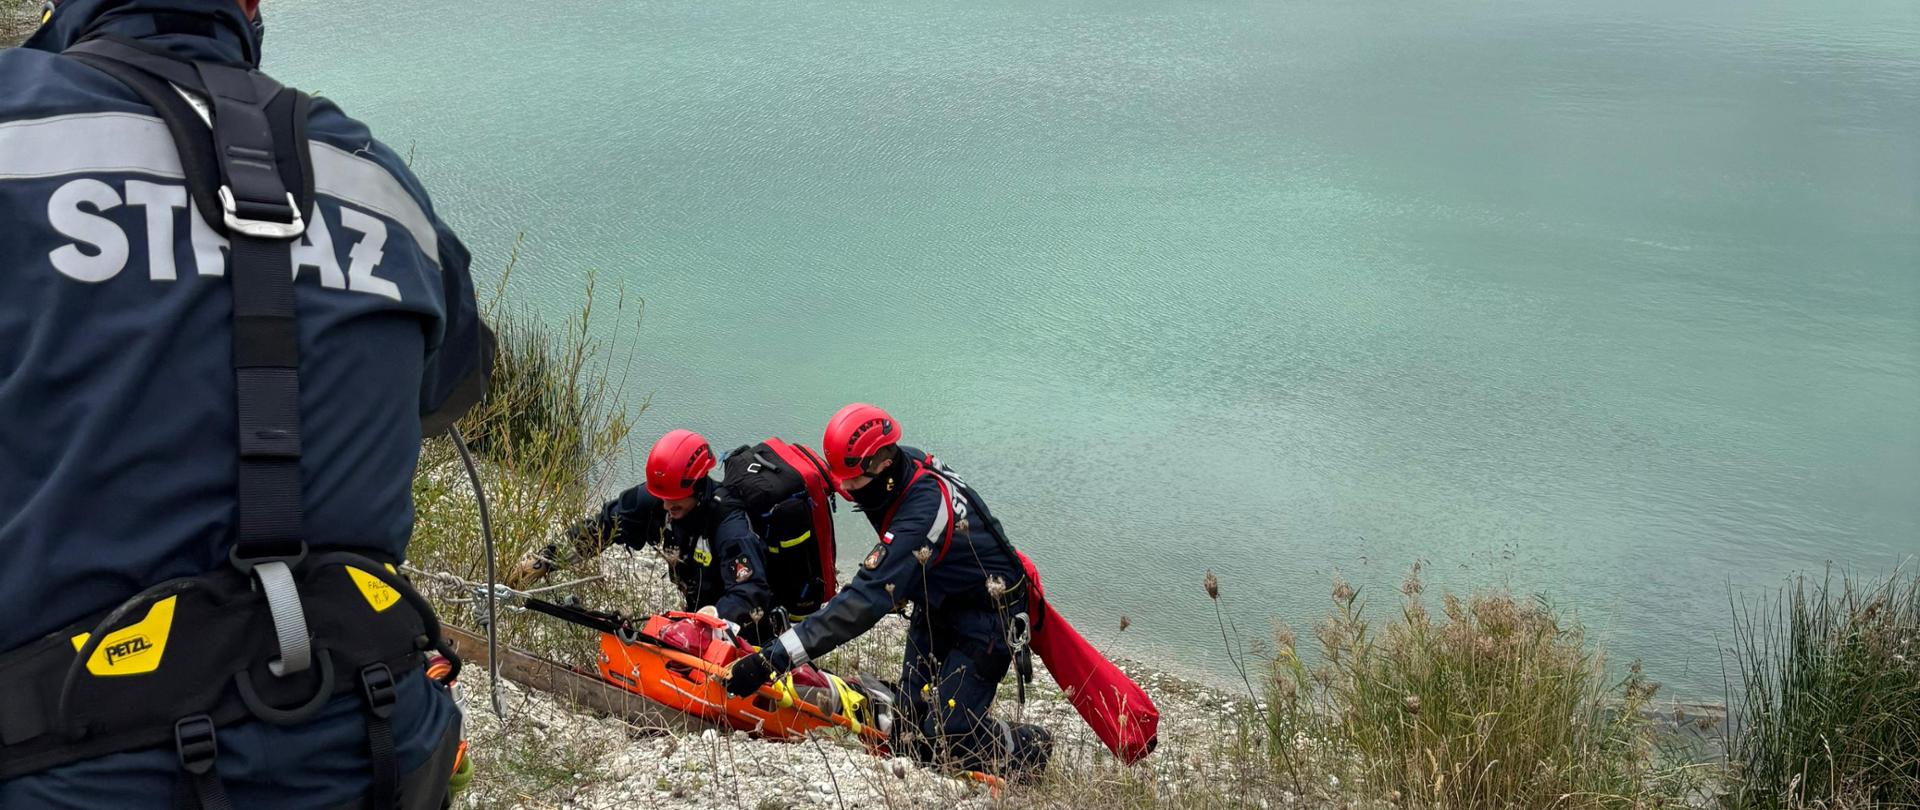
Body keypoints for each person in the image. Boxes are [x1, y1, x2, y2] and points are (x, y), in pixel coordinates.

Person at [0, 1, 492, 807]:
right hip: (370, 742)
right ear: (252, 5)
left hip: (71, 763)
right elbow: (448, 388)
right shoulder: (376, 176)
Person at [726, 404, 1051, 778]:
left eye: (852, 480)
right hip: (936, 602)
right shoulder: (899, 469)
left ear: (880, 464)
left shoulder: (922, 510)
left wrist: (772, 660)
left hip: (987, 618)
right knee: (908, 727)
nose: (844, 488)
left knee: (948, 739)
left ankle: (1030, 746)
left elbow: (863, 601)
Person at [507, 429, 775, 639]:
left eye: (675, 500)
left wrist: (712, 617)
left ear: (698, 485)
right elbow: (602, 528)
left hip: (744, 630)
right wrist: (546, 561)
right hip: (696, 619)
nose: (668, 506)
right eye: (663, 498)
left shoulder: (730, 523)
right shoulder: (658, 501)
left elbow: (751, 591)